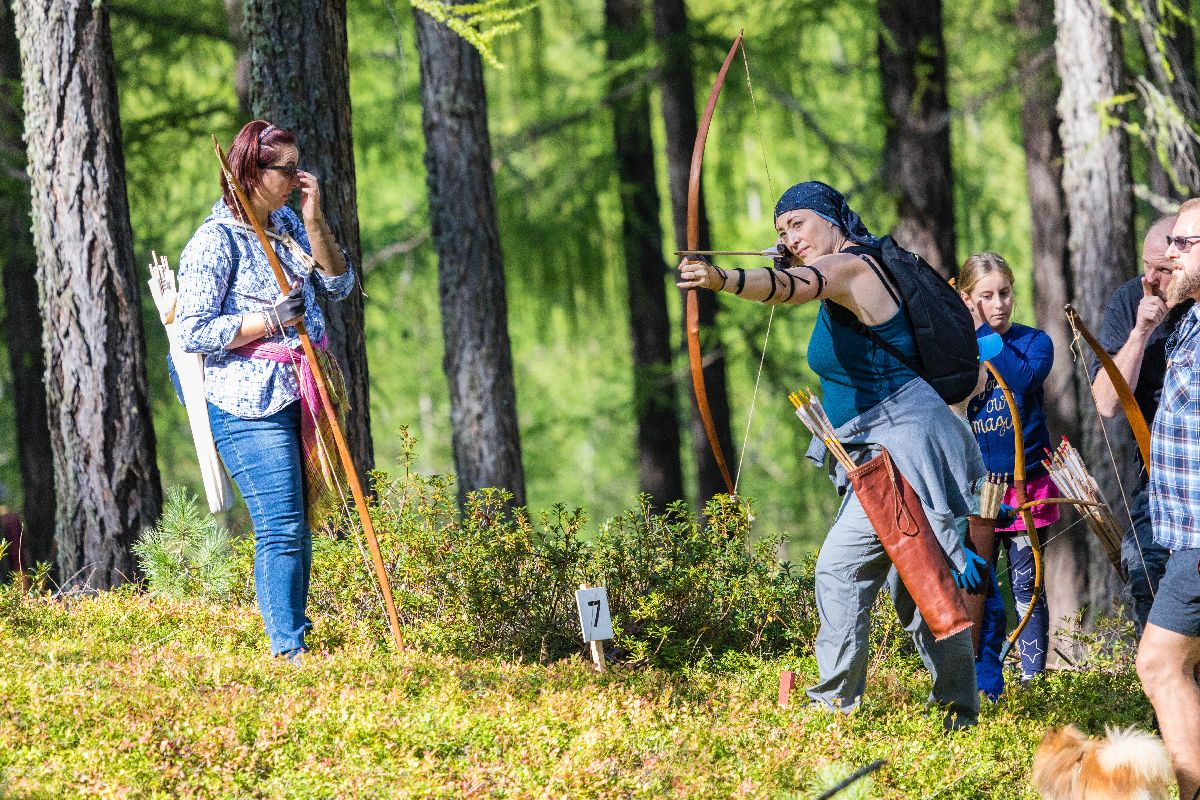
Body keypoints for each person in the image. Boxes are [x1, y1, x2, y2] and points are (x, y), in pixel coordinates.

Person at [678, 180, 983, 728]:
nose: (790, 237)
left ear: (833, 221)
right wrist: (782, 266)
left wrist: (720, 278)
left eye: (798, 223)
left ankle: (835, 708)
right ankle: (960, 716)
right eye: (781, 231)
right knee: (920, 589)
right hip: (875, 451)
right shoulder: (839, 276)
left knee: (841, 570)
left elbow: (793, 288)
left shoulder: (852, 267)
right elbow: (798, 282)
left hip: (900, 447)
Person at [176, 120, 357, 660]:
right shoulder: (215, 241)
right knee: (281, 525)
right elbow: (192, 330)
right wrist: (267, 321)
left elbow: (339, 284)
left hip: (302, 392)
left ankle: (293, 640)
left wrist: (315, 218)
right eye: (286, 168)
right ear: (252, 173)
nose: (297, 176)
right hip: (245, 403)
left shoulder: (289, 224)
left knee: (299, 524)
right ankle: (288, 652)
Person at [958, 253, 1058, 686]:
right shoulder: (956, 352)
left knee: (1026, 587)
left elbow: (1019, 380)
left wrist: (979, 330)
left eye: (1005, 293)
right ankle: (981, 679)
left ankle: (1032, 681)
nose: (999, 304)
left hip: (1025, 486)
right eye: (986, 296)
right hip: (976, 492)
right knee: (977, 590)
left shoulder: (1034, 342)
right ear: (967, 298)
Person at [1089, 216, 1191, 633]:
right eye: (1146, 265)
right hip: (1156, 475)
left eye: (1163, 270)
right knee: (1144, 574)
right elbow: (1107, 402)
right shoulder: (1131, 297)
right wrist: (1140, 333)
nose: (1151, 277)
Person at [1137, 198, 1200, 800]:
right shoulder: (1189, 322)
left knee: (1160, 663)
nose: (1170, 255)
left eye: (1184, 244)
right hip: (1187, 536)